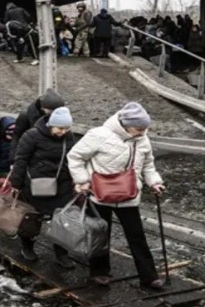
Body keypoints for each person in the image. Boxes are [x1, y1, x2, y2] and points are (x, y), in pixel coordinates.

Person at [67, 102, 166, 290]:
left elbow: (148, 165)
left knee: (137, 236)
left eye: (145, 129)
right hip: (99, 194)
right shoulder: (98, 135)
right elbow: (75, 157)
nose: (142, 132)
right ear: (126, 125)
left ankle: (149, 276)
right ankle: (99, 272)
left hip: (129, 195)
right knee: (100, 234)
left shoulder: (142, 139)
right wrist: (83, 180)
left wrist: (154, 182)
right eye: (139, 129)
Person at [9, 107, 76, 268]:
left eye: (67, 128)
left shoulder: (69, 137)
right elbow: (21, 159)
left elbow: (73, 158)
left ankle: (62, 253)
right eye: (60, 128)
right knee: (31, 218)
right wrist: (16, 183)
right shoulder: (31, 135)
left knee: (62, 220)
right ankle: (27, 246)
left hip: (61, 184)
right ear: (51, 125)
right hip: (34, 184)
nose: (63, 132)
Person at [11, 89, 66, 162]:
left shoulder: (57, 116)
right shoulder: (26, 116)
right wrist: (14, 160)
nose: (55, 113)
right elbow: (16, 137)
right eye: (52, 110)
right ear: (43, 108)